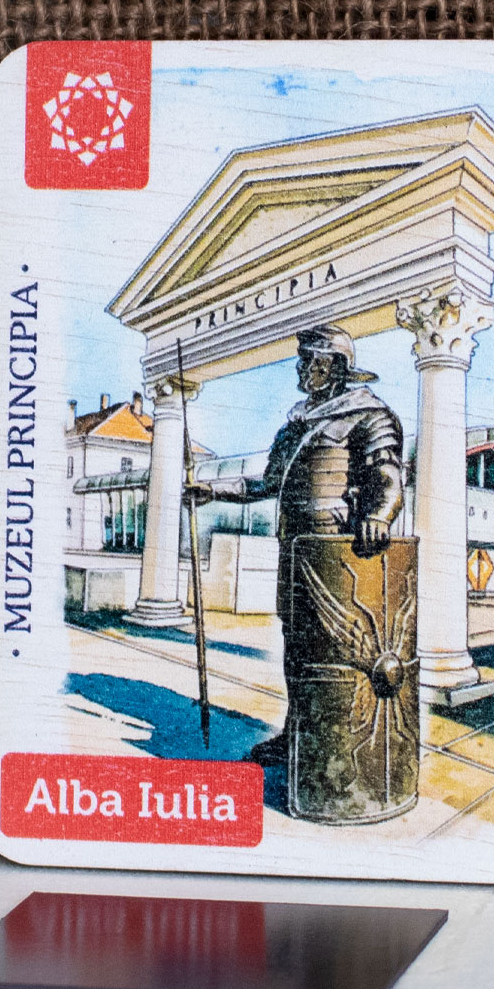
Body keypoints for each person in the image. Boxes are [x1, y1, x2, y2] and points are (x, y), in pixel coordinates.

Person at [186, 325, 405, 766]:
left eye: (309, 361)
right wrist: (213, 491)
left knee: (340, 649)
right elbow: (267, 483)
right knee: (297, 646)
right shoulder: (295, 427)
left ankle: (341, 742)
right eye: (301, 360)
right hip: (296, 551)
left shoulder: (369, 416)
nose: (300, 369)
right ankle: (298, 734)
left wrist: (380, 517)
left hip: (339, 554)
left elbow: (389, 476)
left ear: (335, 366)